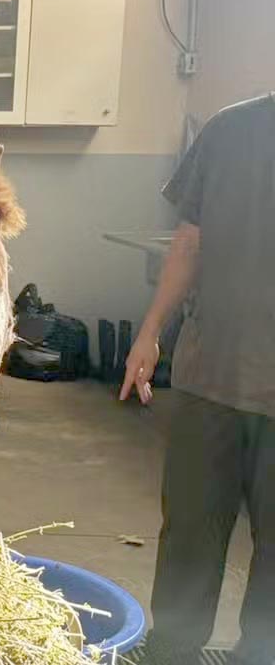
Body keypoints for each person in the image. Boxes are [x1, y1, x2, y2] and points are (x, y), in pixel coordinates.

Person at [121, 94, 275, 665]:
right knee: (189, 529)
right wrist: (151, 332)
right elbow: (189, 241)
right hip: (211, 375)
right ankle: (172, 651)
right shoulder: (229, 129)